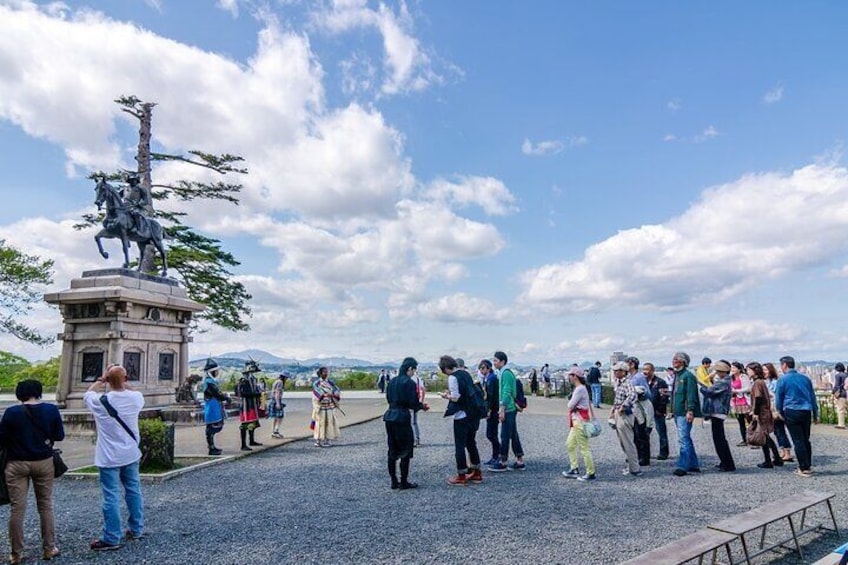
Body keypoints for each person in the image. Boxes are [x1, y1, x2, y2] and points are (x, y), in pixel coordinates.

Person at [0, 380, 64, 563]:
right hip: (43, 462)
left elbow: (2, 439)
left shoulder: (11, 413)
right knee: (45, 505)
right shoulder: (51, 410)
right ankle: (49, 548)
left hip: (16, 463)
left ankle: (16, 553)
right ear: (39, 392)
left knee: (17, 508)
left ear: (19, 393)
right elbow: (59, 435)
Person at [83, 365, 145, 551]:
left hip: (109, 456)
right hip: (131, 453)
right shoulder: (136, 398)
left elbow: (87, 393)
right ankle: (136, 529)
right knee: (133, 490)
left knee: (110, 495)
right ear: (126, 379)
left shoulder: (100, 401)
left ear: (108, 381)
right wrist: (121, 379)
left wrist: (101, 380)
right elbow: (132, 390)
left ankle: (111, 537)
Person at [383, 358, 429, 489]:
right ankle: (403, 481)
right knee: (406, 450)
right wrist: (422, 406)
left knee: (392, 450)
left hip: (390, 415)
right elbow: (413, 403)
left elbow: (388, 399)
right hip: (402, 417)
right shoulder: (409, 383)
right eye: (414, 370)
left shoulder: (392, 382)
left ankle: (393, 481)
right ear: (410, 369)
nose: (414, 373)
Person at [438, 355, 483, 485]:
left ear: (446, 368)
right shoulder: (465, 373)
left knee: (459, 446)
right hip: (472, 414)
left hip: (461, 415)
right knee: (471, 443)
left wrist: (446, 396)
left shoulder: (453, 377)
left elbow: (456, 397)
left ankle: (461, 475)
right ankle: (477, 472)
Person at [774, 356, 819, 477]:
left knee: (797, 440)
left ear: (784, 365)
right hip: (806, 411)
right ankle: (808, 465)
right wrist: (815, 414)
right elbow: (812, 397)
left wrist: (779, 411)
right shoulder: (805, 379)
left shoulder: (782, 380)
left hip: (791, 410)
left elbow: (779, 399)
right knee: (805, 439)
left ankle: (803, 467)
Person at [488, 351, 526, 472]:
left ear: (503, 361)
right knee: (513, 434)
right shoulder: (504, 373)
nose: (494, 363)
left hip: (509, 408)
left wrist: (502, 409)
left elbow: (506, 392)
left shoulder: (505, 373)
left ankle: (502, 461)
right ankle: (519, 459)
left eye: (496, 360)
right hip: (510, 407)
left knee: (504, 435)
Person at [699, 361, 736, 472]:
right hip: (720, 411)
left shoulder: (723, 382)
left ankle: (727, 463)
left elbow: (708, 391)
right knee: (720, 438)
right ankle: (725, 462)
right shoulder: (726, 381)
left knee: (719, 439)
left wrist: (700, 385)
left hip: (717, 411)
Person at [562, 367, 596, 481]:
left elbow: (570, 405)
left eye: (570, 375)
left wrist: (572, 403)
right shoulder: (580, 388)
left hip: (579, 420)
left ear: (575, 376)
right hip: (578, 420)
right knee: (570, 444)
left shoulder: (579, 389)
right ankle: (574, 468)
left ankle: (591, 472)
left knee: (584, 448)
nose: (569, 377)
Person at [671, 351, 702, 477]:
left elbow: (691, 395)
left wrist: (690, 410)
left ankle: (683, 465)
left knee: (683, 438)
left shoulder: (688, 376)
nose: (674, 361)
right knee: (686, 438)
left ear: (683, 362)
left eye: (677, 359)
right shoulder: (677, 376)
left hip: (684, 412)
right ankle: (693, 464)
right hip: (677, 411)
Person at [747, 362, 783, 469]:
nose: (747, 372)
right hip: (765, 412)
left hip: (762, 413)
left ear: (754, 371)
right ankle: (776, 458)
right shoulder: (761, 382)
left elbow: (758, 397)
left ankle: (768, 460)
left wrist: (755, 412)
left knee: (762, 436)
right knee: (766, 436)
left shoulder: (757, 383)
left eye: (749, 370)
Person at [610, 362, 641, 476]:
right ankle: (631, 466)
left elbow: (633, 395)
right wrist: (614, 410)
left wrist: (623, 406)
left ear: (623, 371)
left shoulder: (627, 382)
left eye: (617, 370)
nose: (615, 372)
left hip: (625, 414)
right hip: (619, 413)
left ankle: (635, 468)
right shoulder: (618, 382)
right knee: (624, 442)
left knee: (628, 442)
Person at [764, 362, 794, 462]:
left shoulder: (776, 382)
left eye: (766, 370)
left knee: (780, 431)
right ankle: (783, 451)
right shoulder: (766, 382)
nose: (764, 372)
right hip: (771, 409)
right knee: (777, 432)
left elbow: (778, 396)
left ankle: (787, 452)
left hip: (777, 409)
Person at [627, 357, 653, 466]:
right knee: (634, 434)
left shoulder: (639, 377)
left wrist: (639, 392)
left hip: (640, 409)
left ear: (632, 365)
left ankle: (644, 458)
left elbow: (648, 393)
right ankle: (636, 456)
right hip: (633, 409)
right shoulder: (630, 377)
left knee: (641, 433)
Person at [201, 358, 227, 455]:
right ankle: (211, 448)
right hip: (212, 407)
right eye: (215, 371)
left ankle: (212, 446)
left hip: (214, 406)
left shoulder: (210, 382)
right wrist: (225, 398)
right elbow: (217, 394)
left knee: (213, 427)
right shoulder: (209, 383)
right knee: (211, 427)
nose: (217, 373)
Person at [645, 362, 670, 460]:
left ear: (652, 370)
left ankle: (664, 453)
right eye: (644, 369)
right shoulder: (644, 381)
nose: (645, 372)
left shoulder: (660, 382)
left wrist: (660, 409)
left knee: (662, 432)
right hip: (647, 412)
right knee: (645, 433)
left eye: (647, 369)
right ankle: (644, 453)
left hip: (657, 412)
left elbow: (664, 397)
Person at [237, 361, 263, 451]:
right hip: (246, 405)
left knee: (252, 423)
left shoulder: (253, 379)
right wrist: (256, 394)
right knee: (245, 424)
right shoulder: (243, 381)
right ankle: (243, 444)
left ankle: (251, 440)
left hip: (252, 404)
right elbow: (243, 393)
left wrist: (258, 394)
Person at [311, 367, 341, 447]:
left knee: (329, 423)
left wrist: (333, 394)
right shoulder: (316, 383)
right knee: (320, 423)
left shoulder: (331, 383)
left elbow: (337, 390)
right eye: (324, 372)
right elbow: (316, 392)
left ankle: (327, 440)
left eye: (327, 372)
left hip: (329, 406)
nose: (326, 373)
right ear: (320, 373)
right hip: (321, 406)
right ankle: (318, 440)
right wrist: (323, 395)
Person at [479, 359, 500, 465]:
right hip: (492, 409)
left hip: (493, 410)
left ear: (488, 368)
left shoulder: (491, 379)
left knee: (491, 434)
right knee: (491, 434)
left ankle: (498, 455)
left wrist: (489, 410)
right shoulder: (488, 378)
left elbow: (491, 397)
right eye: (480, 368)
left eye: (483, 368)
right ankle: (496, 455)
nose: (481, 370)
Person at [729, 361, 752, 446]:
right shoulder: (731, 378)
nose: (732, 369)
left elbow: (748, 388)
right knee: (741, 422)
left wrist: (736, 391)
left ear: (739, 369)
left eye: (734, 368)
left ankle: (753, 439)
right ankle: (744, 439)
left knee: (749, 421)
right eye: (731, 368)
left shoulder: (744, 377)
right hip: (736, 402)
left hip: (745, 401)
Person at [268, 372, 290, 439]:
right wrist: (278, 403)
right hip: (276, 400)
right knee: (280, 417)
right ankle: (276, 431)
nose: (287, 379)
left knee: (276, 417)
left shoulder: (276, 381)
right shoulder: (280, 382)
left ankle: (274, 431)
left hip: (273, 400)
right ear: (284, 377)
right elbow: (277, 392)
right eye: (286, 377)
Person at [411, 364, 426, 446]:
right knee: (415, 422)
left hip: (410, 402)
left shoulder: (408, 378)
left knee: (411, 422)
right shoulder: (418, 378)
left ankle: (413, 440)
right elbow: (423, 389)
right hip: (417, 402)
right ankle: (417, 439)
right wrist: (422, 401)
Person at [831, 362, 847, 430]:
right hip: (846, 393)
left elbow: (837, 385)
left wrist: (833, 392)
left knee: (840, 410)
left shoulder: (838, 375)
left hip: (841, 394)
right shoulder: (846, 375)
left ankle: (841, 424)